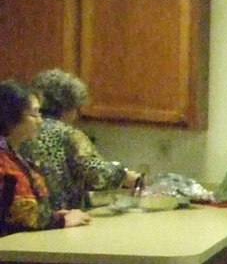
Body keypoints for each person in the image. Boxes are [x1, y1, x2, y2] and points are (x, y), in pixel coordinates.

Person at [21, 68, 139, 211]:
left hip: (30, 212)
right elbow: (93, 171)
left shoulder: (22, 129)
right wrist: (125, 176)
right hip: (62, 214)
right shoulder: (67, 133)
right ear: (67, 107)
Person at [0, 80, 90, 232]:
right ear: (11, 117)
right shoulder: (3, 160)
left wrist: (53, 216)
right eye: (34, 114)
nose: (40, 121)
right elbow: (21, 213)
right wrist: (60, 220)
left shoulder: (13, 154)